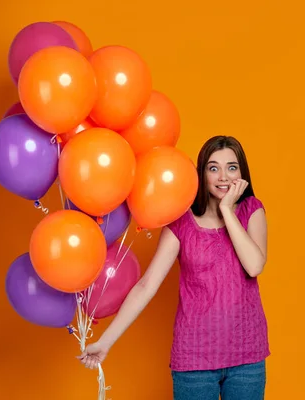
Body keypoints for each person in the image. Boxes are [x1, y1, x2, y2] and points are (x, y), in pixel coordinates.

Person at [78, 135, 270, 399]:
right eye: (213, 168)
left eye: (232, 167)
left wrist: (227, 210)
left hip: (247, 356)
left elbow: (254, 265)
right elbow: (146, 285)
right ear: (202, 174)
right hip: (195, 359)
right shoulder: (181, 222)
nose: (223, 176)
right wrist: (105, 342)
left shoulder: (252, 210)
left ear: (242, 173)